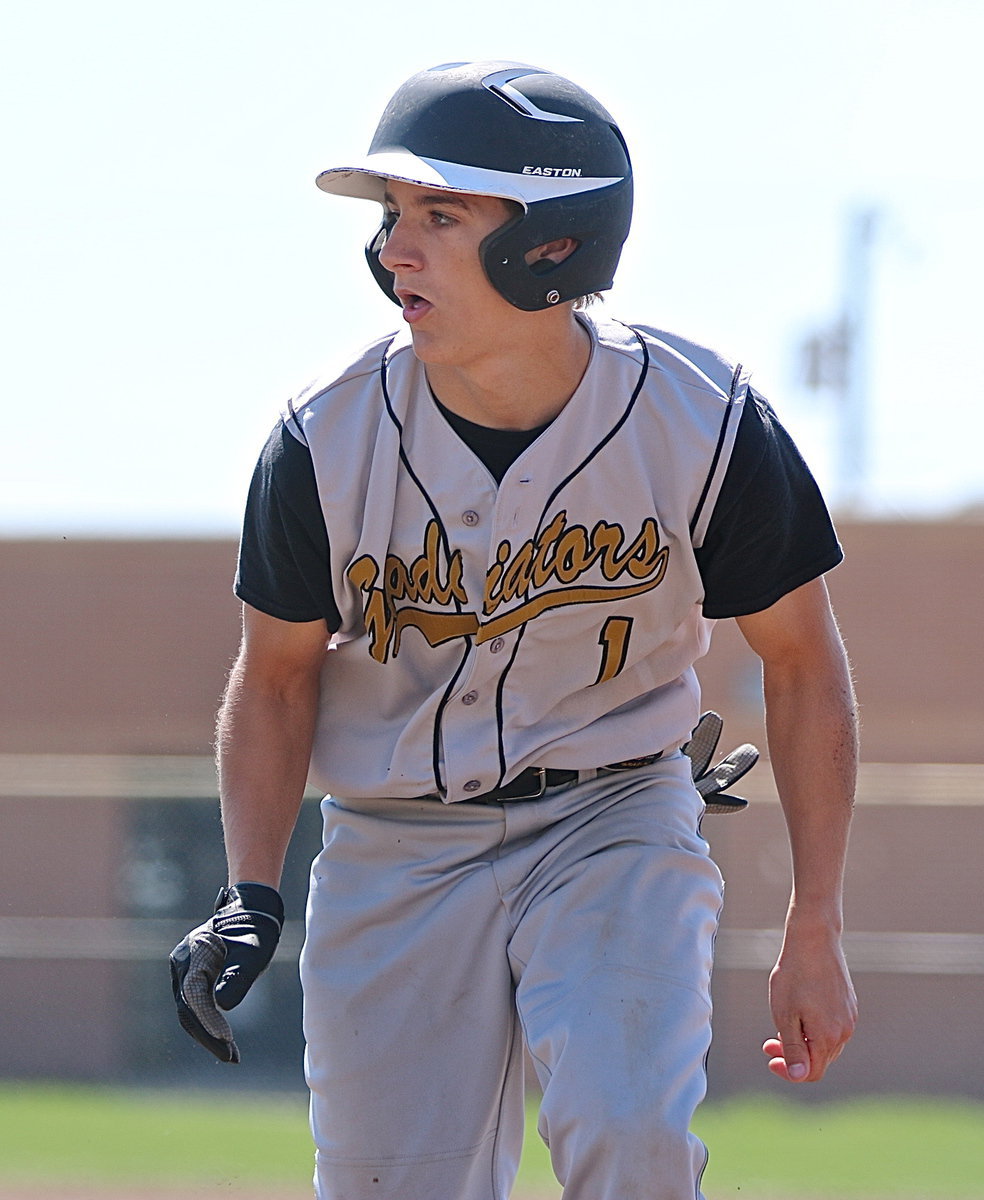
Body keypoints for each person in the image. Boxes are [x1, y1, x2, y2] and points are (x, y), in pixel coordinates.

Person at [170, 60, 858, 1200]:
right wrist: (249, 891)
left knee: (630, 1138)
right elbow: (277, 677)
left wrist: (815, 921)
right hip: (393, 843)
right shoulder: (322, 438)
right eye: (393, 215)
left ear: (553, 243)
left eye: (440, 215)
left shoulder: (703, 419)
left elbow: (800, 662)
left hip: (612, 820)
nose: (394, 248)